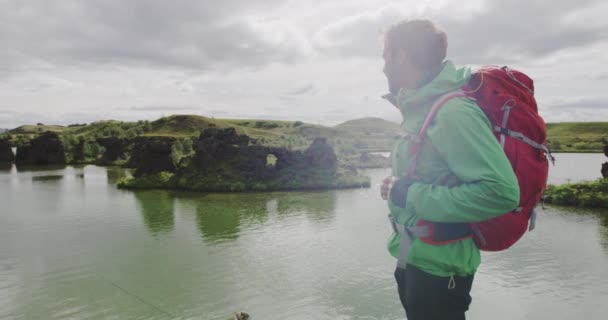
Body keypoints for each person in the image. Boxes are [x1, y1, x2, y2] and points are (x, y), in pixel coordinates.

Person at [380, 19, 520, 319]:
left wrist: (412, 195)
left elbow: (501, 192)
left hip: (441, 268)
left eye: (385, 57)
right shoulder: (420, 108)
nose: (383, 68)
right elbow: (430, 174)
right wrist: (396, 188)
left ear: (402, 56)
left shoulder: (453, 112)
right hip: (416, 257)